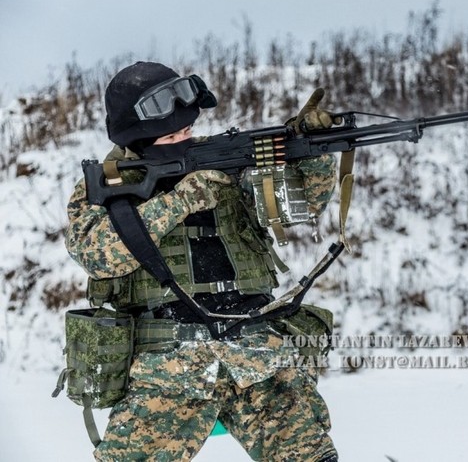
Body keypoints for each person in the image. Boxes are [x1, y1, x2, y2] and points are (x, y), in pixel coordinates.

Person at [65, 61, 339, 461]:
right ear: (138, 139)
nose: (185, 138)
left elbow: (301, 205)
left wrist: (313, 153)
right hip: (166, 366)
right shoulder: (105, 185)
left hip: (257, 354)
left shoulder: (223, 160)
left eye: (187, 130)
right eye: (172, 135)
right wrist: (179, 202)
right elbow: (97, 255)